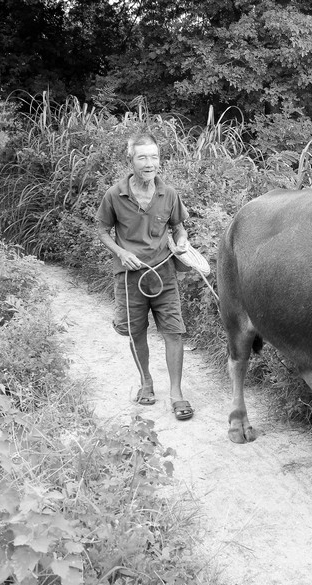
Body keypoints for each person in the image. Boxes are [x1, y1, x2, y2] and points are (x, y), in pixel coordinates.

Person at [96, 133, 193, 420]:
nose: (149, 163)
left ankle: (176, 394)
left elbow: (179, 228)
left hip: (164, 272)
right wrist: (121, 252)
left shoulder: (170, 194)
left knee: (174, 332)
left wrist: (183, 241)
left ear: (159, 160)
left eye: (154, 157)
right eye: (142, 157)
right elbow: (102, 231)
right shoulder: (114, 195)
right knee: (135, 332)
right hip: (129, 276)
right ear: (131, 161)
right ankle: (146, 383)